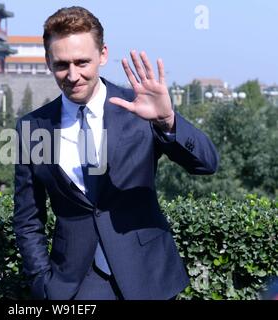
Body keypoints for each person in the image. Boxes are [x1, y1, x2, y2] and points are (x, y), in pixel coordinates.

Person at [13, 6, 219, 300]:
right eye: (61, 64)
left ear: (103, 55)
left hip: (149, 277)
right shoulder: (32, 128)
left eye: (82, 62)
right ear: (47, 61)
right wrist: (41, 281)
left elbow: (207, 163)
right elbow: (27, 218)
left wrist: (167, 121)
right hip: (73, 285)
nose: (73, 75)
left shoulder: (141, 108)